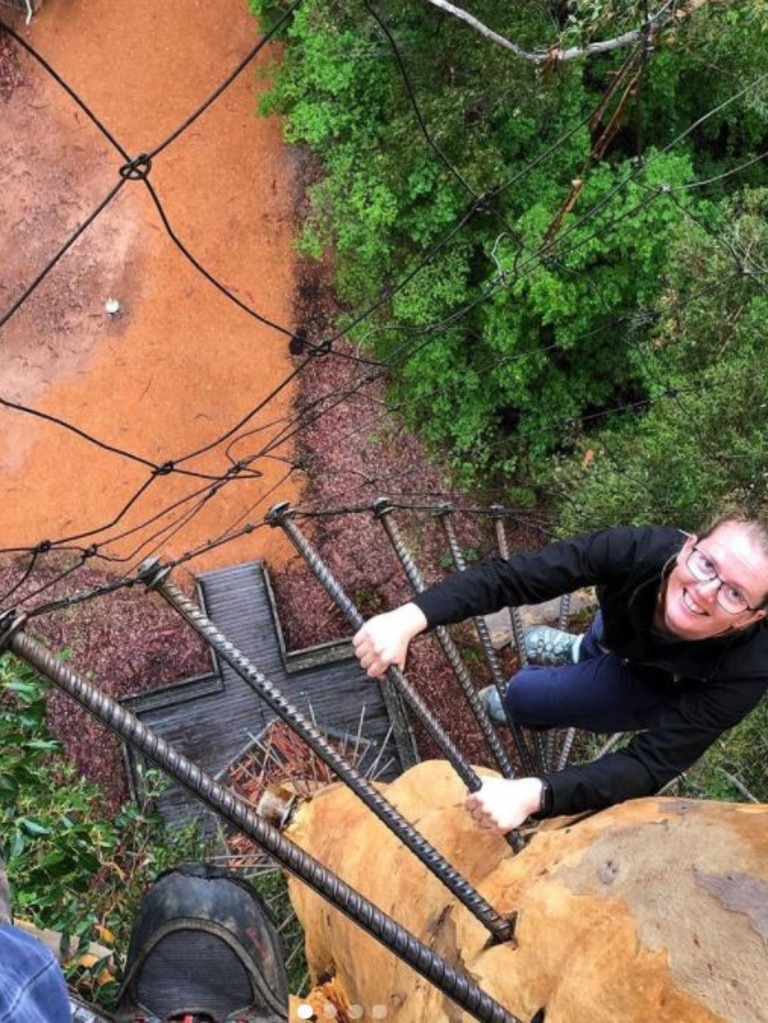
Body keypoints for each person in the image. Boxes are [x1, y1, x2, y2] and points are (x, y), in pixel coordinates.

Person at [352, 512, 768, 834]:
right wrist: (411, 616)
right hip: (621, 629)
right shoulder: (636, 552)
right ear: (687, 547)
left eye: (735, 593)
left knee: (525, 694)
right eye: (708, 564)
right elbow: (513, 579)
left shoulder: (749, 668)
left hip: (652, 684)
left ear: (754, 617)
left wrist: (538, 793)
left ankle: (518, 705)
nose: (704, 591)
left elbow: (652, 763)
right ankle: (577, 650)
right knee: (600, 638)